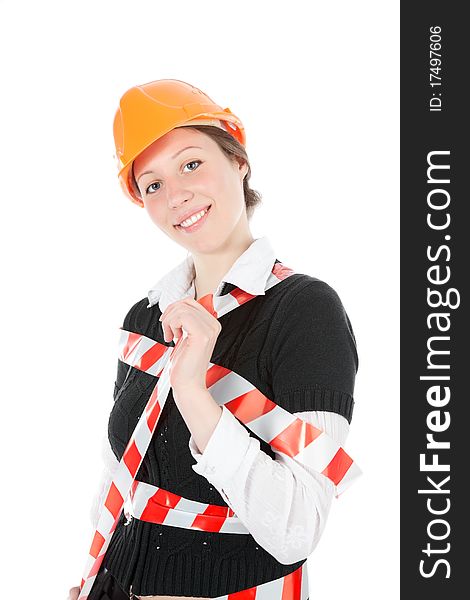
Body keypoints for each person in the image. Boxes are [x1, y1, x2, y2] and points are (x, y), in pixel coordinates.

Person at [68, 79, 359, 600]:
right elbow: (123, 478)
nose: (176, 195)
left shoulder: (306, 311)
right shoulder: (146, 318)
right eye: (152, 184)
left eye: (191, 164)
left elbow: (297, 529)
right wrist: (92, 579)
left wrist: (194, 395)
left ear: (238, 161)